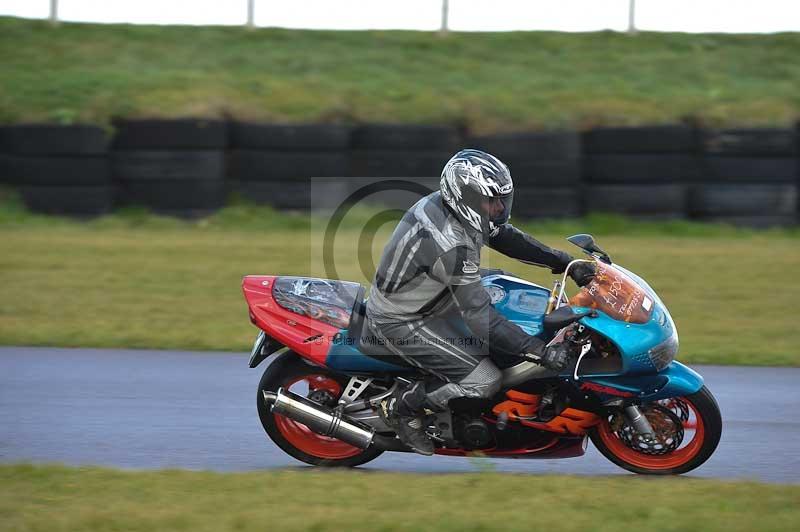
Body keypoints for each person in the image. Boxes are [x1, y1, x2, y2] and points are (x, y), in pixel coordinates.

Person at [364, 149, 595, 455]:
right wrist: (538, 351)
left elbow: (504, 237)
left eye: (503, 199)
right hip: (405, 318)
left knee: (509, 288)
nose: (499, 207)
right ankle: (401, 409)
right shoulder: (451, 243)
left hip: (436, 294)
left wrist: (564, 262)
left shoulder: (456, 208)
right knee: (484, 380)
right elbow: (478, 315)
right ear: (466, 197)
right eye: (492, 200)